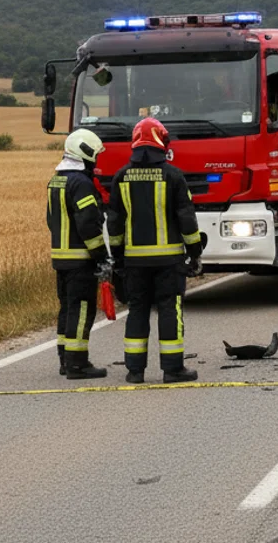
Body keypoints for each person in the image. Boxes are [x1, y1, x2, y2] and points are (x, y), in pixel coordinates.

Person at [107, 117, 203, 384]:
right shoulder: (173, 176)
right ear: (163, 142)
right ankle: (172, 369)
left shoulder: (121, 177)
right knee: (170, 310)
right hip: (169, 261)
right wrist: (195, 252)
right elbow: (187, 219)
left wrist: (117, 257)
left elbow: (114, 222)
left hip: (134, 261)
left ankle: (134, 371)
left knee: (137, 310)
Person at [46, 129, 109, 379]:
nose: (96, 160)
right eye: (95, 155)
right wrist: (101, 256)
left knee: (67, 308)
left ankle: (65, 359)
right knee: (82, 310)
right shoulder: (81, 183)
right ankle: (77, 364)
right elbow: (88, 224)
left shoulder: (56, 180)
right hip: (80, 260)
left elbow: (50, 219)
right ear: (85, 153)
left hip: (60, 259)